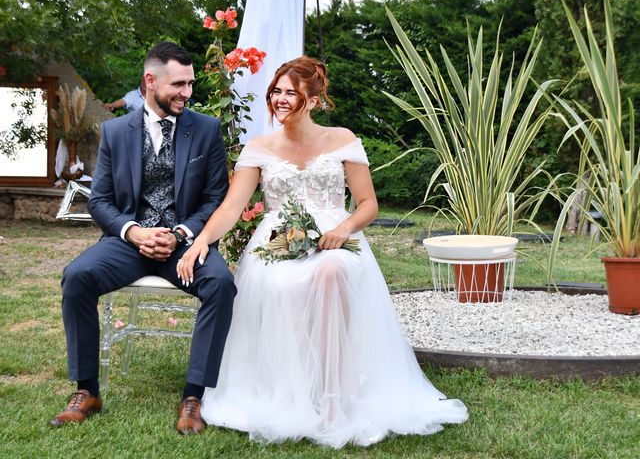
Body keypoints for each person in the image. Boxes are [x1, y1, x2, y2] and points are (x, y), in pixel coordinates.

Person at [177, 56, 468, 448]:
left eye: (290, 93)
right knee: (282, 284)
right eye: (276, 91)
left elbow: (367, 203)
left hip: (336, 236)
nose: (280, 99)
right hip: (279, 242)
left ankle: (332, 398)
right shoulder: (259, 147)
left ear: (313, 100)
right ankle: (291, 386)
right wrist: (201, 241)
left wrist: (343, 227)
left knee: (331, 271)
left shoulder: (342, 139)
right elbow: (231, 208)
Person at [50, 41, 235, 435]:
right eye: (179, 84)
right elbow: (100, 201)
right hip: (129, 244)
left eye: (190, 84)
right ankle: (87, 390)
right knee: (77, 276)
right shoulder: (116, 131)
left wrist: (182, 233)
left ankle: (193, 395)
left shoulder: (206, 130)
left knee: (220, 283)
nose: (187, 93)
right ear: (151, 81)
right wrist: (134, 233)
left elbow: (215, 197)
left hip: (185, 243)